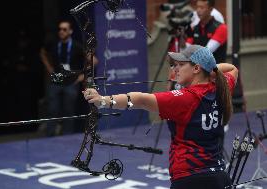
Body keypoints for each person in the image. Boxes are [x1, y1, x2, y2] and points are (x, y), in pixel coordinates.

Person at [82, 45, 238, 189]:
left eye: (181, 65)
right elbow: (232, 69)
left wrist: (102, 101)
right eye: (175, 65)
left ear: (196, 68)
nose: (175, 69)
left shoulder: (184, 98)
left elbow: (140, 100)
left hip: (189, 179)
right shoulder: (220, 88)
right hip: (219, 177)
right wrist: (211, 70)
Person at [40, 20, 86, 136]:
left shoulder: (76, 46)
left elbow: (93, 60)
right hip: (57, 78)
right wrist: (49, 67)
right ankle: (50, 134)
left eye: (64, 29)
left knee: (68, 111)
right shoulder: (54, 43)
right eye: (60, 29)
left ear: (70, 31)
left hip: (71, 80)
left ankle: (67, 135)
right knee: (52, 109)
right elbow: (42, 52)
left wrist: (82, 75)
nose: (61, 31)